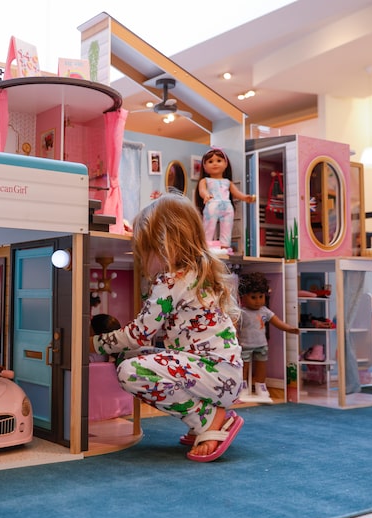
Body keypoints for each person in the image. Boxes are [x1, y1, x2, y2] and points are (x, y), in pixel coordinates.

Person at [90, 192, 244, 462]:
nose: (143, 259)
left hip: (214, 374)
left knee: (130, 370)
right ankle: (207, 415)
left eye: (145, 250)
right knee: (130, 358)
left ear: (163, 246)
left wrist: (92, 343)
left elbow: (140, 333)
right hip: (220, 373)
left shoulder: (173, 280)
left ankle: (208, 419)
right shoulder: (196, 272)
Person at [236, 271, 299, 400]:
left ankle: (260, 385)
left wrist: (290, 329)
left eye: (261, 297)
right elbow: (235, 325)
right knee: (244, 366)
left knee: (262, 365)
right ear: (243, 297)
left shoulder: (264, 311)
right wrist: (234, 336)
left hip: (261, 345)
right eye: (253, 297)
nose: (258, 301)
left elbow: (277, 322)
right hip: (245, 345)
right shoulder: (241, 312)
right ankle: (242, 385)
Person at [197, 147, 256, 253]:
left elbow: (236, 193)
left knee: (227, 227)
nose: (215, 164)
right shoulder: (205, 180)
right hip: (212, 204)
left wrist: (245, 197)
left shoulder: (227, 182)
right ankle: (206, 244)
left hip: (227, 206)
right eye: (210, 162)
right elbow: (202, 190)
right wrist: (206, 195)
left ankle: (225, 246)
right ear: (205, 166)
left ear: (225, 163)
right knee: (209, 226)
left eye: (219, 161)